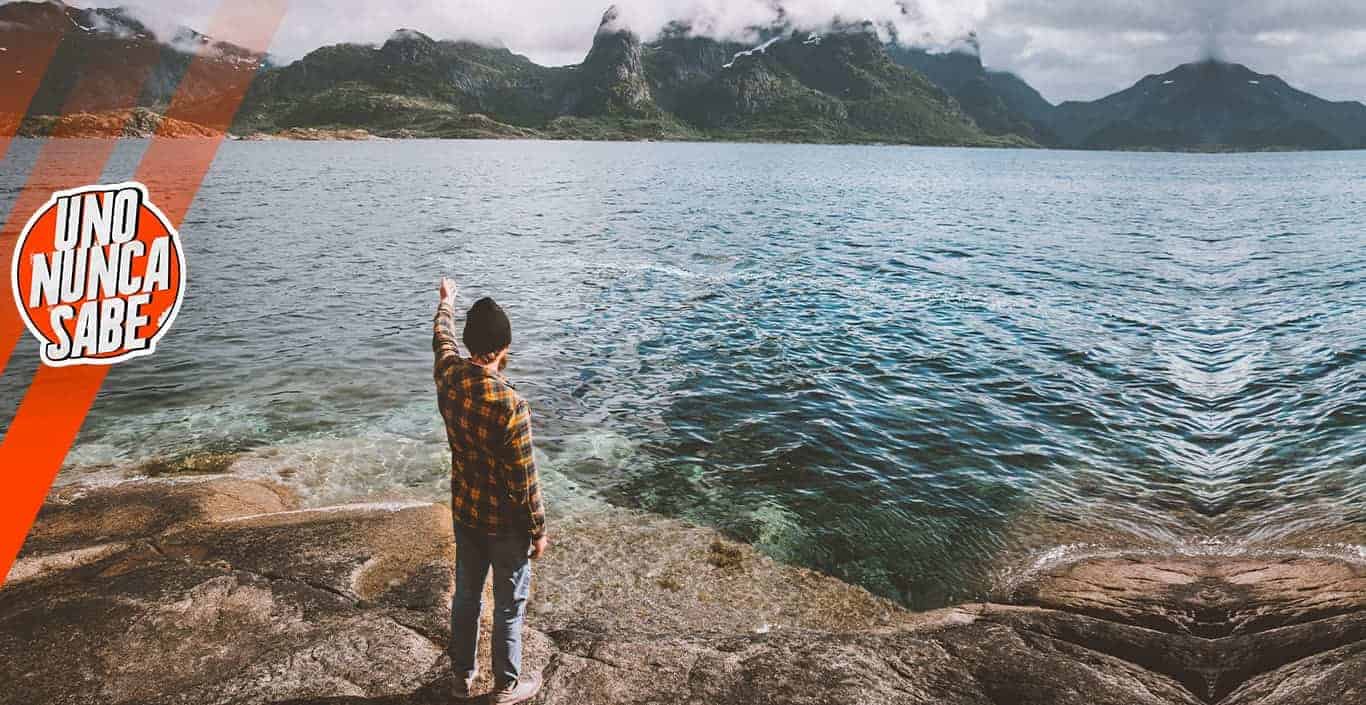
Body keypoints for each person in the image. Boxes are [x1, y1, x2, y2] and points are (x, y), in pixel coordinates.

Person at [433, 277, 548, 704]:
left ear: (469, 343)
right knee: (508, 606)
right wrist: (538, 530)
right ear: (504, 348)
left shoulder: (449, 375)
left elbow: (441, 337)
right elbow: (524, 482)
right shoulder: (511, 406)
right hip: (505, 526)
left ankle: (461, 679)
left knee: (466, 597)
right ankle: (506, 687)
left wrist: (447, 302)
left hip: (466, 513)